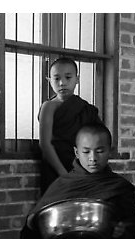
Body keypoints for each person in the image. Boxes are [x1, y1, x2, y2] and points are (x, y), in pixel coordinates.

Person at [17, 123, 135, 239]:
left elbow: (132, 225)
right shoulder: (63, 184)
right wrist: (33, 221)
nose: (93, 158)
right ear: (76, 152)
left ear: (110, 151)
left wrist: (121, 231)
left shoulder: (119, 186)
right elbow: (36, 222)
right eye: (86, 151)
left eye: (100, 151)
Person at [38, 57, 103, 192]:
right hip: (55, 168)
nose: (62, 83)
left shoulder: (86, 109)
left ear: (77, 79)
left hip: (83, 169)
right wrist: (64, 175)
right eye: (56, 78)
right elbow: (45, 144)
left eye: (68, 77)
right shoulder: (49, 107)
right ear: (49, 81)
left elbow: (98, 139)